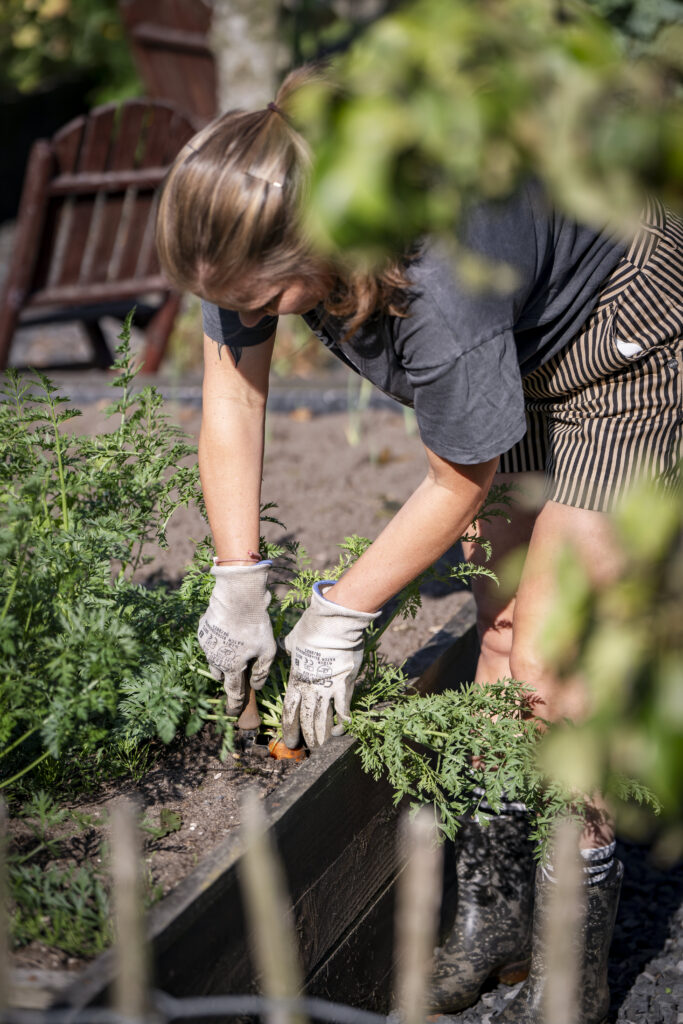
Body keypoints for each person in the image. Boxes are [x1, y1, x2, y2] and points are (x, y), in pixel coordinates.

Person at [155, 67, 682, 1024]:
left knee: (553, 669)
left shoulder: (439, 270)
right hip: (512, 347)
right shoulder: (247, 225)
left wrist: (339, 612)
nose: (250, 316)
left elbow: (458, 478)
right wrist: (236, 579)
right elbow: (231, 398)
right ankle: (491, 922)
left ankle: (574, 974)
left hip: (618, 343)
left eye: (267, 296)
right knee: (501, 633)